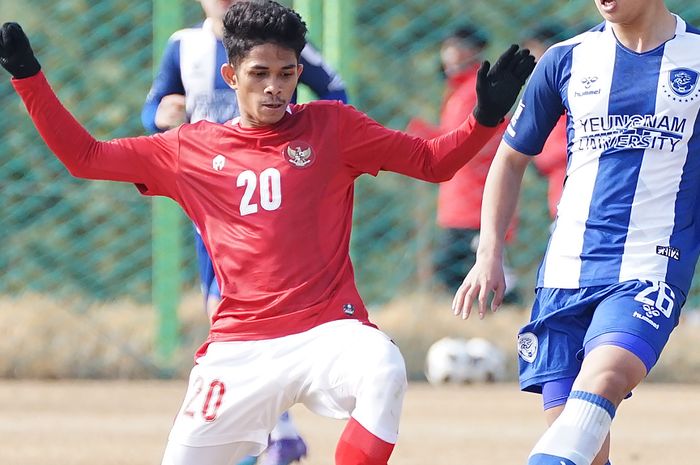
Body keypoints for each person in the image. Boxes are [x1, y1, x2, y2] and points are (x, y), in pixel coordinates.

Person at [0, 0, 534, 463]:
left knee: (383, 367)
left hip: (329, 330)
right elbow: (85, 157)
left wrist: (485, 116)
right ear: (232, 76)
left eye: (286, 73)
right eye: (260, 73)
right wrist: (28, 76)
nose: (275, 87)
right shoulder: (189, 147)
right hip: (239, 347)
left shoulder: (334, 127)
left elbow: (432, 162)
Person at [453, 1, 700, 464]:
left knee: (604, 376)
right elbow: (509, 159)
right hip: (565, 271)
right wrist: (488, 254)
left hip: (649, 268)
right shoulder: (566, 58)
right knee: (584, 450)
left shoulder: (695, 57)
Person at [141, 1, 349, 461]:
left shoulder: (279, 45)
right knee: (222, 309)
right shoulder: (184, 46)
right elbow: (154, 106)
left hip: (272, 190)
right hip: (213, 193)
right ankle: (274, 431)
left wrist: (309, 143)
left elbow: (335, 91)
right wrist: (161, 116)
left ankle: (268, 433)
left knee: (240, 310)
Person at [406, 26, 518, 297]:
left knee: (458, 266)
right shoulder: (459, 90)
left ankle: (510, 300)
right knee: (460, 266)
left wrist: (427, 138)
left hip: (476, 198)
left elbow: (471, 143)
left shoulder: (474, 90)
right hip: (459, 197)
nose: (448, 55)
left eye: (455, 47)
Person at [522, 25, 568, 220]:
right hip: (559, 194)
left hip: (574, 193)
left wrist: (538, 158)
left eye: (534, 50)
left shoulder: (567, 85)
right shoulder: (544, 91)